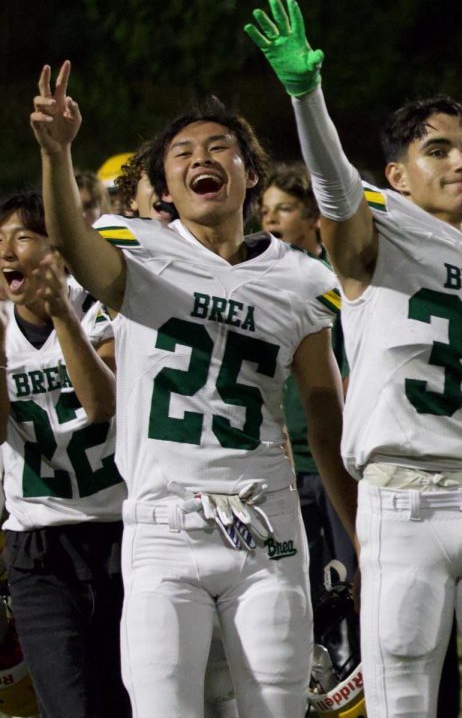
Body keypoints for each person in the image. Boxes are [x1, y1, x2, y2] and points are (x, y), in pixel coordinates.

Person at [248, 0, 462, 717]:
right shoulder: (377, 235)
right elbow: (331, 186)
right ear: (397, 175)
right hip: (408, 496)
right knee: (404, 693)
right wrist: (307, 96)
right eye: (438, 148)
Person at [31, 60, 356, 717]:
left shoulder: (300, 277)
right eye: (182, 153)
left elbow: (326, 415)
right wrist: (58, 153)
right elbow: (67, 237)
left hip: (267, 527)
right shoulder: (136, 248)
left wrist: (363, 538)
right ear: (166, 185)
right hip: (164, 525)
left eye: (219, 148)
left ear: (250, 173)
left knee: (277, 709)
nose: (201, 158)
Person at [0, 191, 128, 717]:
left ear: (57, 249)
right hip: (38, 544)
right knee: (67, 707)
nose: (7, 252)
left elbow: (102, 404)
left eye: (22, 237)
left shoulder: (99, 305)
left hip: (122, 533)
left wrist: (59, 316)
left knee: (131, 701)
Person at [259, 163, 356, 595]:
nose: (270, 219)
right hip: (284, 466)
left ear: (314, 216)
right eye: (265, 210)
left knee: (352, 579)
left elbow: (352, 377)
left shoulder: (331, 285)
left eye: (284, 209)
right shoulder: (259, 284)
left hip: (332, 460)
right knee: (303, 589)